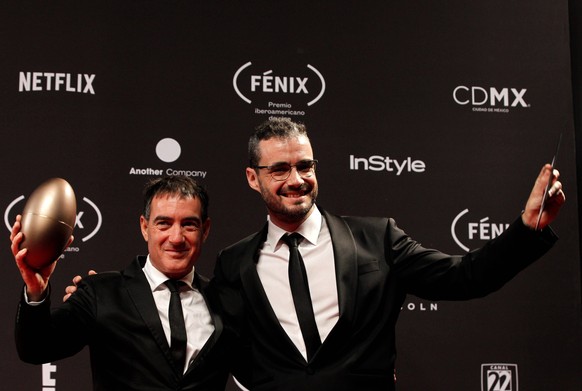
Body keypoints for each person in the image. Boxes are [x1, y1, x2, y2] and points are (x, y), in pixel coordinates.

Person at [212, 117, 565, 391]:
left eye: (305, 166)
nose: (297, 180)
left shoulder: (377, 238)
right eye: (279, 169)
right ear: (252, 178)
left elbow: (465, 277)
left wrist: (527, 226)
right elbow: (232, 353)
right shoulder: (235, 262)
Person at [12, 176, 232, 391]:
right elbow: (36, 348)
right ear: (145, 228)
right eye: (163, 224)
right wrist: (36, 292)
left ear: (206, 230)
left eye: (189, 225)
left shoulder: (225, 301)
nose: (176, 238)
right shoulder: (101, 293)